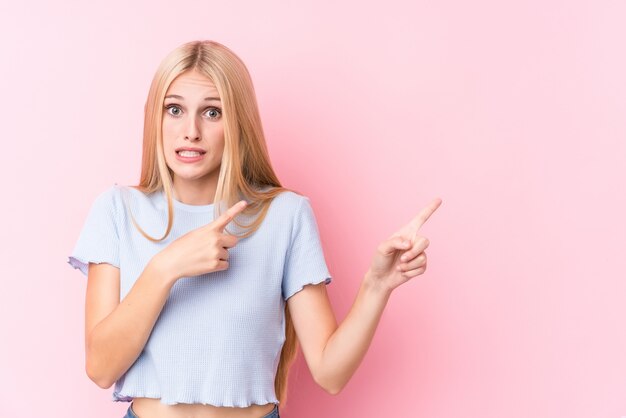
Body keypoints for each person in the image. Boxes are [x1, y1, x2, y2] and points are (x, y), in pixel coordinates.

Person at [67, 40, 442, 418]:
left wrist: (377, 285)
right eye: (174, 109)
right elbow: (101, 368)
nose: (190, 131)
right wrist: (166, 267)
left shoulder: (284, 215)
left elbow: (330, 373)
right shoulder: (117, 211)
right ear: (155, 118)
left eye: (212, 112)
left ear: (237, 122)